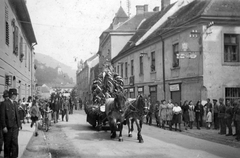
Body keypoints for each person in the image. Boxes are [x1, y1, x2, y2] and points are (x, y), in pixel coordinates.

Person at [0, 88, 21, 158]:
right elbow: (2, 116)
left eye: (16, 95)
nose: (15, 96)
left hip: (15, 127)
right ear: (11, 95)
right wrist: (4, 126)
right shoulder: (4, 104)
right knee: (7, 144)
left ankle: (14, 156)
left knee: (15, 143)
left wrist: (19, 125)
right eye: (14, 95)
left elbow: (17, 115)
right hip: (8, 128)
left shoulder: (15, 103)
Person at [0, 90, 9, 154]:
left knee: (6, 138)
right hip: (1, 124)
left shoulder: (11, 104)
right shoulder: (2, 104)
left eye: (8, 97)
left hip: (7, 124)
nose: (7, 98)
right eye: (6, 97)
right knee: (1, 137)